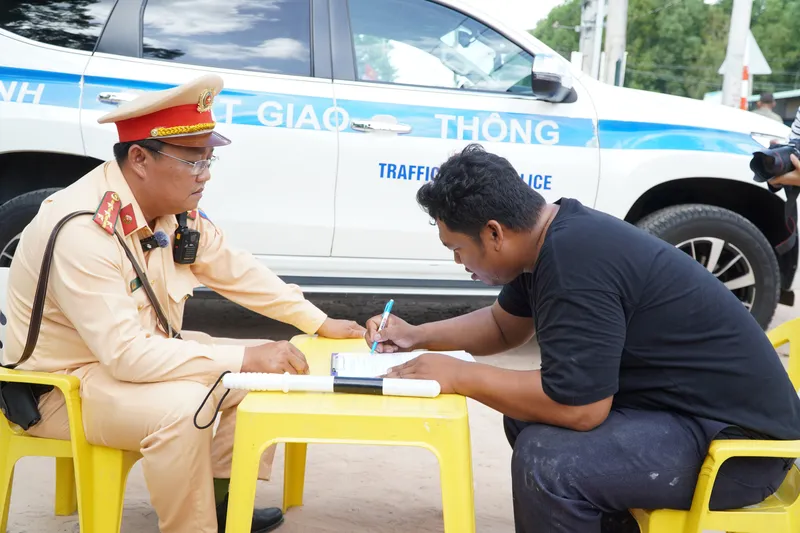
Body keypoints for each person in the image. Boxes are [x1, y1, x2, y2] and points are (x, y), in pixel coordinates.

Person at [364, 143, 800, 533]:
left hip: (741, 451)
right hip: (687, 414)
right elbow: (503, 326)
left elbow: (581, 409)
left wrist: (460, 376)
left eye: (456, 248)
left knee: (550, 462)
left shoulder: (574, 260)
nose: (459, 262)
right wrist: (416, 336)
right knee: (524, 415)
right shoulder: (548, 238)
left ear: (494, 232)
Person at [2, 74, 365, 533]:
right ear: (139, 158)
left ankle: (221, 506)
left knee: (267, 373)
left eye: (208, 157)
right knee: (188, 406)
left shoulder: (169, 209)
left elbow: (236, 268)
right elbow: (127, 355)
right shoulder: (84, 229)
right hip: (64, 388)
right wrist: (245, 355)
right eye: (193, 159)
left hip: (130, 363)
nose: (206, 172)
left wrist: (319, 321)